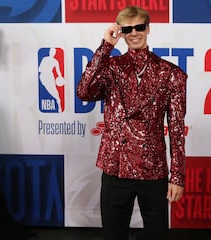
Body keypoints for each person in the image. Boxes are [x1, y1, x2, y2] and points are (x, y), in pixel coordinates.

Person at [76, 6, 188, 240]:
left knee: (157, 235)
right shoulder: (111, 68)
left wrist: (177, 177)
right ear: (122, 32)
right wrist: (106, 46)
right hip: (115, 167)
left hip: (153, 170)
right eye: (128, 28)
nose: (134, 33)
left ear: (148, 28)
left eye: (139, 27)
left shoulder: (171, 74)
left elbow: (177, 129)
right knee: (113, 235)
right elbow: (84, 92)